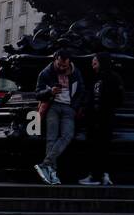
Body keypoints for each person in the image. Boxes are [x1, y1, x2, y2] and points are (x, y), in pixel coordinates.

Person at [34, 52, 83, 185]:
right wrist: (50, 92)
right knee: (51, 138)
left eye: (64, 66)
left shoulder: (75, 73)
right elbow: (37, 94)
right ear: (55, 60)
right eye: (59, 65)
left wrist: (74, 107)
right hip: (53, 106)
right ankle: (52, 172)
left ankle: (46, 164)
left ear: (69, 62)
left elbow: (81, 92)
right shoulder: (46, 73)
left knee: (67, 135)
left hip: (69, 108)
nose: (61, 68)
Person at [78, 55, 115, 188]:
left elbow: (117, 98)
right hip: (96, 118)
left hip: (103, 117)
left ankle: (96, 176)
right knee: (99, 147)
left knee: (98, 148)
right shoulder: (96, 78)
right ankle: (102, 175)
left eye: (95, 63)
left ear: (102, 63)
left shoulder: (110, 78)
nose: (92, 66)